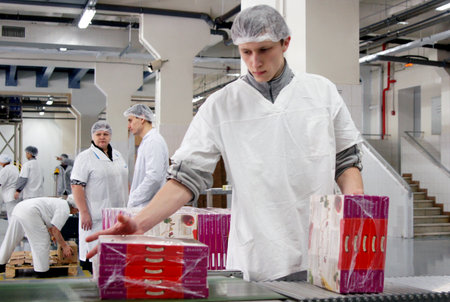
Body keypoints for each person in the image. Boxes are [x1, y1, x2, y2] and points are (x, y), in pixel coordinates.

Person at [86, 5, 364, 282]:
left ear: (285, 43)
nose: (255, 61)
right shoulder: (221, 105)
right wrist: (140, 223)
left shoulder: (320, 92)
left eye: (264, 50)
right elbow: (186, 177)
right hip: (258, 256)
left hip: (322, 249)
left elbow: (346, 160)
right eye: (246, 52)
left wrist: (357, 214)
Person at [71, 120, 128, 272]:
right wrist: (84, 212)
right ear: (92, 136)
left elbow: (123, 181)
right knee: (94, 259)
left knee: (114, 258)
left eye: (105, 134)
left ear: (110, 136)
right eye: (98, 134)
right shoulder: (85, 157)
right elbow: (76, 186)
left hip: (118, 214)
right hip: (96, 216)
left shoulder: (118, 155)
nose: (102, 137)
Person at [0, 195, 78, 277]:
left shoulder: (60, 202)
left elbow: (51, 225)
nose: (76, 212)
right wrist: (64, 246)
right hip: (30, 212)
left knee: (11, 238)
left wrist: (53, 235)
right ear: (75, 208)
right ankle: (42, 271)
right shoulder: (65, 210)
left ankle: (1, 263)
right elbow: (55, 230)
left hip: (20, 208)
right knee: (42, 241)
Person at [124, 104, 169, 208]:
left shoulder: (153, 141)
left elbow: (154, 177)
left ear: (142, 118)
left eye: (130, 120)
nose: (128, 126)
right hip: (144, 205)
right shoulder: (147, 141)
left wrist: (134, 198)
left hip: (149, 206)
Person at [0, 154, 19, 220]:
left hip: (9, 195)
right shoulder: (14, 167)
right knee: (15, 213)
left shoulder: (5, 170)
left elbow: (0, 182)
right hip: (16, 194)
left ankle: (13, 230)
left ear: (2, 162)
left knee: (11, 215)